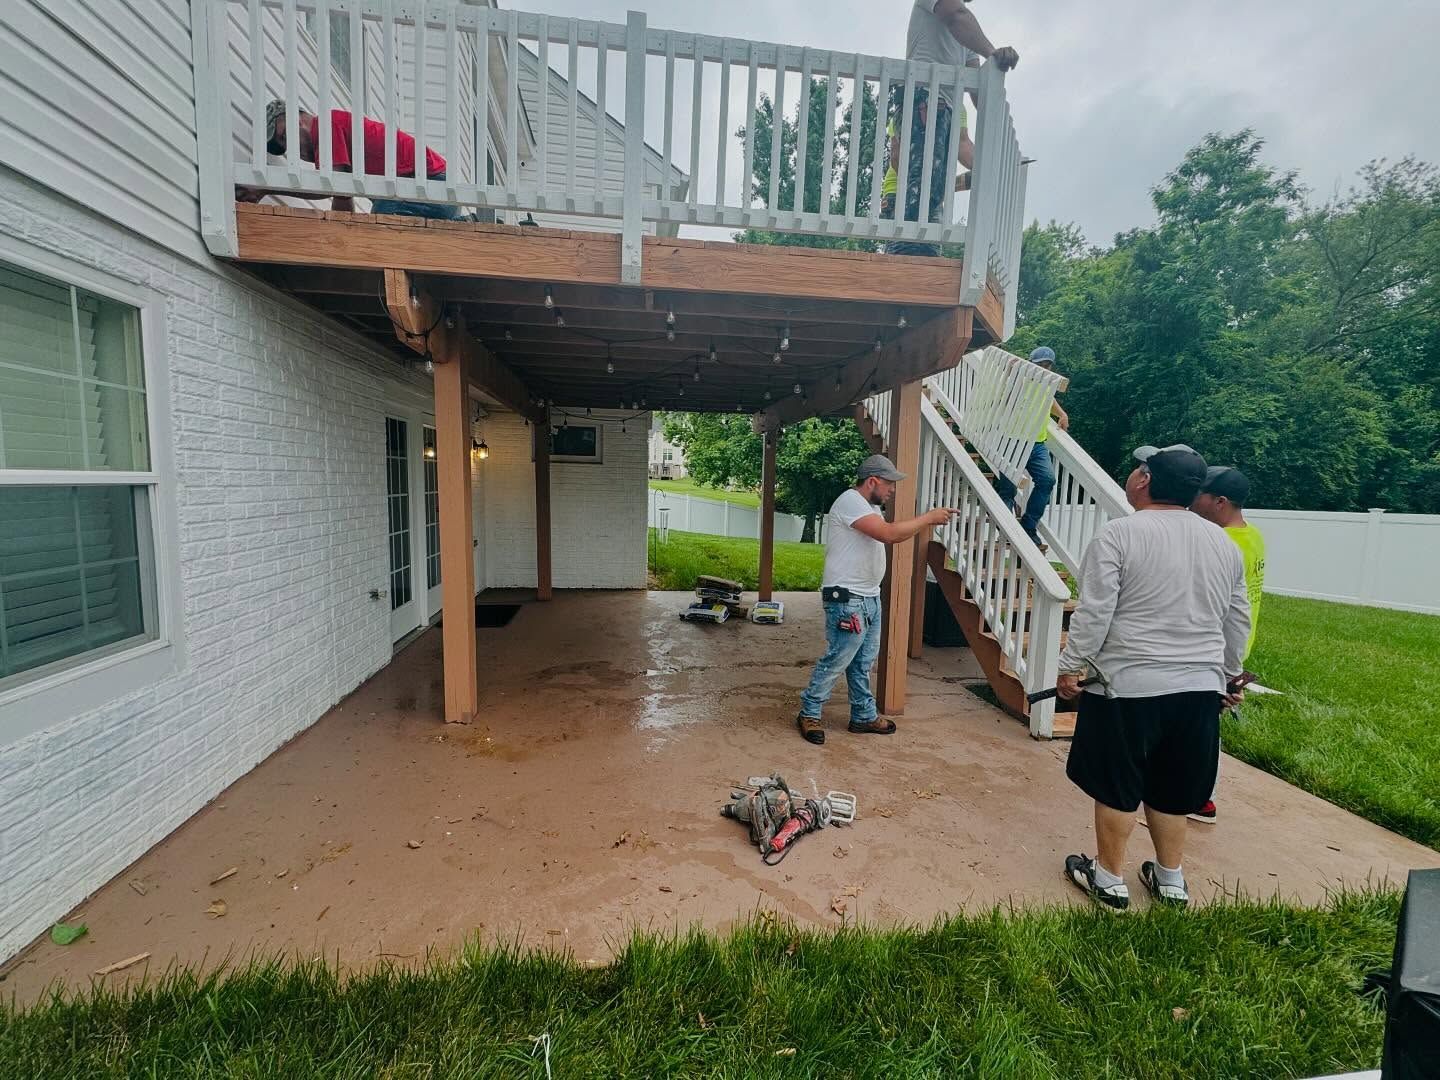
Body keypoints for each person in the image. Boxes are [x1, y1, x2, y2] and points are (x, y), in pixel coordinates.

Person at [1058, 445, 1250, 911]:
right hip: (1198, 690)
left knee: (1118, 784)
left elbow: (1095, 612)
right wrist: (1227, 677)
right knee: (1173, 786)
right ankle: (1170, 881)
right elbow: (1236, 619)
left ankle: (1107, 879)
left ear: (1144, 479)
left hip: (1128, 686)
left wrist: (1070, 668)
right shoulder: (1222, 543)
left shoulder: (1119, 535)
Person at [796, 455, 956, 745]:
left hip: (868, 596)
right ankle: (809, 712)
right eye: (889, 484)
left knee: (862, 662)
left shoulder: (868, 507)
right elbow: (889, 535)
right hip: (846, 598)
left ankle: (863, 716)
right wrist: (928, 518)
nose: (892, 490)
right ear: (872, 481)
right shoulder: (850, 501)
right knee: (838, 658)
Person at [886, 1, 1019, 257]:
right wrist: (994, 52)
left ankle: (918, 261)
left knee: (930, 194)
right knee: (918, 193)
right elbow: (956, 16)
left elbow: (976, 86)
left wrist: (997, 162)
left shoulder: (964, 41)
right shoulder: (951, 13)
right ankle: (905, 259)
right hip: (925, 98)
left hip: (941, 106)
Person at [1186, 466, 1266, 824]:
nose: (1192, 499)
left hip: (1214, 646)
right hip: (1231, 643)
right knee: (1200, 721)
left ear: (1219, 502)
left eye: (1199, 493)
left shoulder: (1224, 545)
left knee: (1200, 725)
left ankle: (1201, 798)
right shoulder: (1253, 537)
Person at [236, 100, 460, 220]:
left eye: (283, 136)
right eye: (281, 146)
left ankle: (459, 224)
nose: (287, 148)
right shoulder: (336, 152)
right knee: (378, 222)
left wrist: (264, 188)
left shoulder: (327, 125)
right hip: (427, 194)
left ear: (298, 118)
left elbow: (328, 187)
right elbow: (341, 195)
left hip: (434, 189)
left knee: (382, 220)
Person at [993, 347, 1069, 546]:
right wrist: (1010, 374)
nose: (1043, 368)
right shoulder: (1019, 380)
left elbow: (1048, 400)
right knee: (1008, 490)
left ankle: (1028, 526)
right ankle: (1007, 531)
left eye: (1047, 364)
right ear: (1032, 364)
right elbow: (1003, 397)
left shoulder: (1047, 383)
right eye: (1039, 364)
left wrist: (1061, 414)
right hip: (1011, 441)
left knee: (1047, 480)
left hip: (1037, 443)